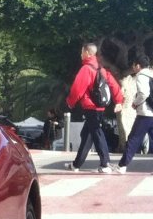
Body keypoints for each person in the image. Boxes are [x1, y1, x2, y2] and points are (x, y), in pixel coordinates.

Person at [64, 43, 123, 173]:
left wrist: (70, 102)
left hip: (90, 107)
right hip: (100, 107)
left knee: (97, 133)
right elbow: (113, 84)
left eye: (82, 52)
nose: (80, 55)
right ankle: (76, 165)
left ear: (87, 53)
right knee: (87, 135)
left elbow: (77, 88)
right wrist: (118, 100)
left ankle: (105, 164)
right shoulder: (101, 69)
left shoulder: (86, 69)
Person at [116, 53, 153, 173]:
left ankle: (122, 165)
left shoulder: (141, 76)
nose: (133, 67)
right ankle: (122, 165)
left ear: (138, 65)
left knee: (133, 139)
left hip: (145, 113)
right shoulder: (151, 75)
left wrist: (135, 103)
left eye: (134, 65)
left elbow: (144, 93)